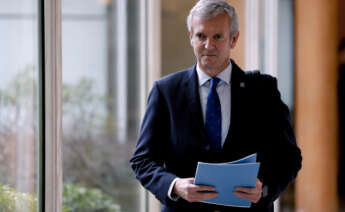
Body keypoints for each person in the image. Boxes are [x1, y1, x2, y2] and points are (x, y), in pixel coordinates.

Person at [130, 0, 302, 211]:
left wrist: (264, 189)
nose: (208, 46)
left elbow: (288, 157)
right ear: (191, 37)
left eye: (218, 37)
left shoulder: (263, 91)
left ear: (233, 39)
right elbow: (143, 160)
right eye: (201, 36)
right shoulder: (166, 91)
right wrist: (175, 186)